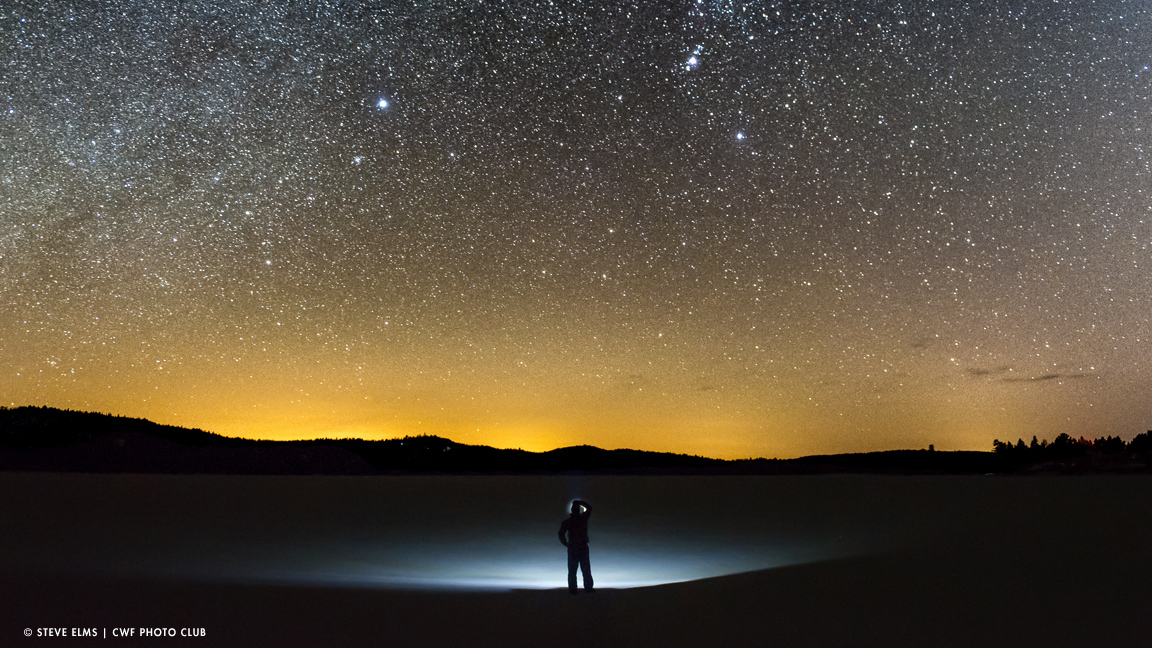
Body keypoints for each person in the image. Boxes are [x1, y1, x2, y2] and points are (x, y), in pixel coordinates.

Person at [558, 499, 593, 594]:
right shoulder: (583, 519)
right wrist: (580, 502)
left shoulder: (569, 521)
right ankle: (587, 589)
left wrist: (566, 543)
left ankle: (574, 590)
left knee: (574, 570)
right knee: (584, 569)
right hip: (580, 546)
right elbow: (589, 508)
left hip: (574, 547)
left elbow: (561, 534)